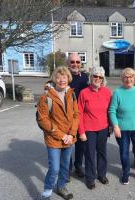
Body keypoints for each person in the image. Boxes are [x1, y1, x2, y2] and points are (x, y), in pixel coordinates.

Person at [37, 66, 79, 200]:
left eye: (65, 77)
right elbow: (43, 120)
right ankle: (47, 192)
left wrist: (72, 134)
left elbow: (76, 115)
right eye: (59, 77)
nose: (62, 80)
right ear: (55, 78)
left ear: (68, 78)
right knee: (54, 168)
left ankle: (61, 187)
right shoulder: (46, 97)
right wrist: (62, 135)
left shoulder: (71, 94)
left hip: (69, 139)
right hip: (54, 139)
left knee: (65, 166)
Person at [109, 68, 135, 185]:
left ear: (134, 78)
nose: (128, 79)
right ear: (122, 79)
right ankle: (125, 172)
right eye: (126, 77)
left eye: (131, 77)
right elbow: (112, 110)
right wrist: (115, 126)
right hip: (122, 129)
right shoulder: (117, 92)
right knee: (124, 152)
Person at [78, 66, 112, 190]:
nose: (97, 79)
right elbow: (79, 113)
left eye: (100, 77)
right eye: (95, 76)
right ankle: (90, 178)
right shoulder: (84, 93)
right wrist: (81, 131)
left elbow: (109, 111)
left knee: (102, 153)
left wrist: (111, 126)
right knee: (90, 154)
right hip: (89, 130)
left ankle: (102, 174)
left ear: (103, 79)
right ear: (91, 77)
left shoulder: (107, 92)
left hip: (103, 128)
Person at [68, 53, 89, 178]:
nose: (75, 64)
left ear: (81, 64)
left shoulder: (86, 78)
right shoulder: (64, 77)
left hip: (81, 117)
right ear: (68, 63)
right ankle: (68, 169)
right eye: (72, 62)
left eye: (77, 62)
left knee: (81, 144)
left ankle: (78, 166)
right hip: (67, 117)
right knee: (68, 145)